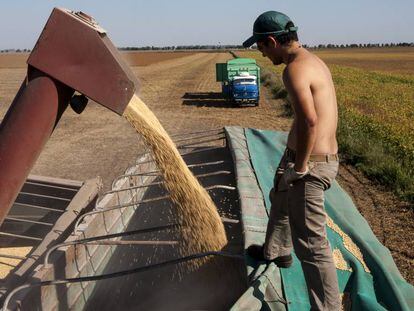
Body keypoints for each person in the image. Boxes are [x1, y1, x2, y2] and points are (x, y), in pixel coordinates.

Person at [243, 11, 341, 310]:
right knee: (281, 200)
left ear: (272, 41)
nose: (261, 53)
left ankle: (328, 307)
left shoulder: (294, 70)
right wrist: (290, 160)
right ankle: (275, 252)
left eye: (261, 47)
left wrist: (299, 168)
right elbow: (305, 120)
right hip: (302, 156)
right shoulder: (311, 61)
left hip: (311, 164)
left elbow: (310, 122)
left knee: (312, 245)